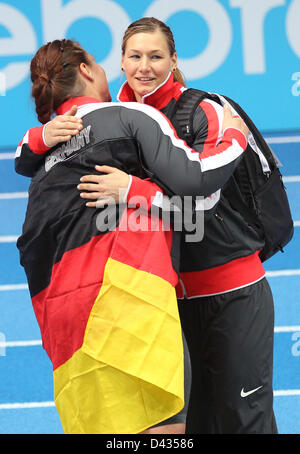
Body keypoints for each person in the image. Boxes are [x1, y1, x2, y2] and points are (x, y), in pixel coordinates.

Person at [44, 17, 278, 434]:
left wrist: (132, 189)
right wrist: (44, 134)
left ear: (173, 59)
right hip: (162, 301)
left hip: (232, 291)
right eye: (135, 56)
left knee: (245, 420)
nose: (144, 67)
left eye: (155, 56)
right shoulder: (107, 120)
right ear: (120, 62)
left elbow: (203, 202)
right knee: (192, 426)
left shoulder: (204, 108)